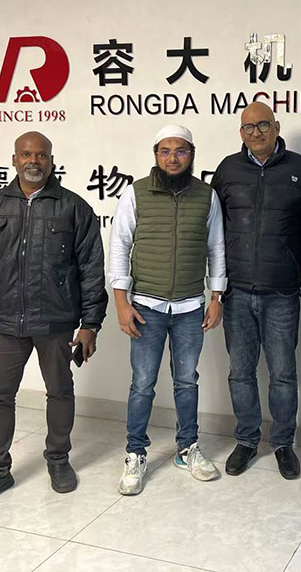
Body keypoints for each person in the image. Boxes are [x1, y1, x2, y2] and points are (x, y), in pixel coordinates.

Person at [0, 131, 107, 512]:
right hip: (4, 322)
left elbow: (92, 270)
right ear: (14, 159)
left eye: (41, 155)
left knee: (60, 392)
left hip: (55, 321)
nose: (33, 161)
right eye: (26, 154)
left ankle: (58, 459)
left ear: (51, 161)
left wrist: (90, 324)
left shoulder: (74, 208)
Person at [109, 124, 225, 495]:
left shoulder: (206, 196)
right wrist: (121, 302)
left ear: (192, 154)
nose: (173, 158)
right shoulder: (135, 193)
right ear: (156, 154)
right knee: (143, 383)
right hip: (146, 306)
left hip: (191, 307)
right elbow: (119, 245)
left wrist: (216, 297)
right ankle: (135, 453)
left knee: (187, 380)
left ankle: (187, 448)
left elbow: (216, 248)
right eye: (166, 151)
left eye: (181, 151)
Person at [211, 102, 301, 479]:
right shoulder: (228, 170)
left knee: (283, 373)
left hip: (282, 292)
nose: (255, 133)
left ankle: (283, 443)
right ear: (240, 132)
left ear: (276, 127)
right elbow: (215, 225)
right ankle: (246, 439)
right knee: (240, 372)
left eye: (263, 125)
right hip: (236, 291)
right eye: (248, 127)